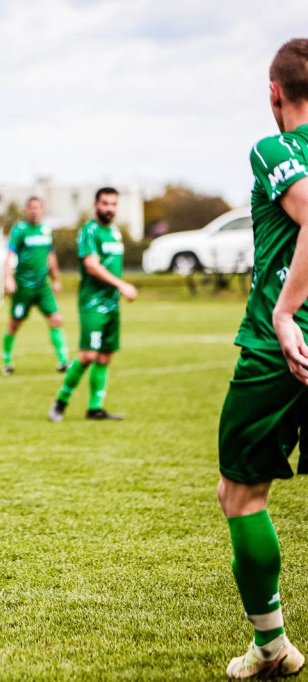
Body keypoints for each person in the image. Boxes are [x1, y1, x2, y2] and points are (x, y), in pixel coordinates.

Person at [215, 38, 308, 679]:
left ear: (274, 93)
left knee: (242, 495)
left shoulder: (272, 148)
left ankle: (272, 647)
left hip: (280, 350)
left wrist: (283, 313)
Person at [47, 188, 137, 422]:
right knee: (87, 355)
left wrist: (117, 290)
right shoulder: (89, 231)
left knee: (105, 356)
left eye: (114, 204)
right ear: (96, 205)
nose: (110, 208)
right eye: (105, 203)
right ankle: (60, 402)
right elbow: (92, 266)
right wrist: (121, 285)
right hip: (93, 303)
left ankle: (95, 408)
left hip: (112, 305)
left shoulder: (115, 233)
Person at [1, 196, 69, 375]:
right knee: (15, 324)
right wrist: (8, 278)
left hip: (42, 286)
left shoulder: (46, 230)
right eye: (31, 207)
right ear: (26, 210)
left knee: (56, 319)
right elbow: (9, 255)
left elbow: (51, 256)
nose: (34, 211)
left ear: (42, 210)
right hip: (23, 287)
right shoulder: (19, 230)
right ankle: (7, 361)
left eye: (37, 208)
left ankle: (63, 361)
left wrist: (56, 279)